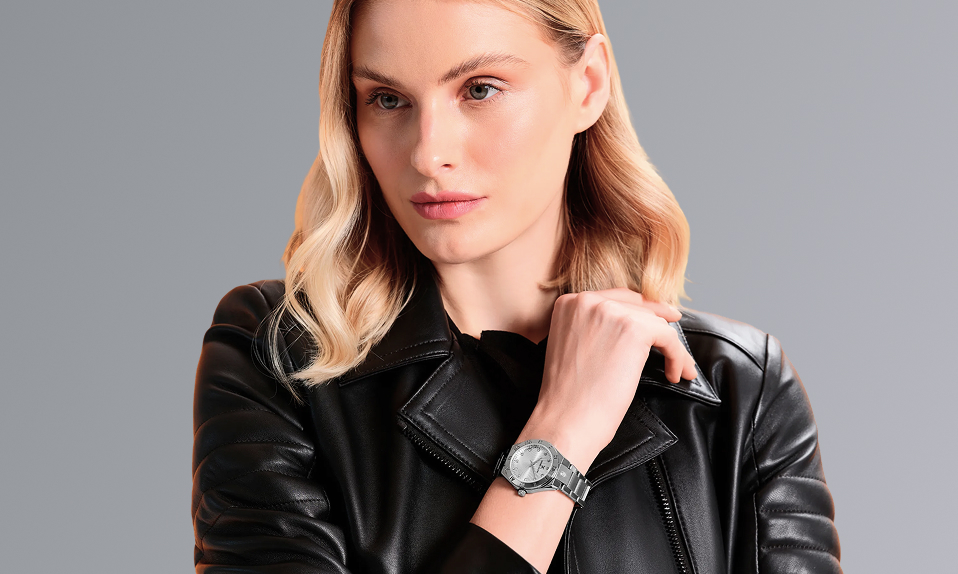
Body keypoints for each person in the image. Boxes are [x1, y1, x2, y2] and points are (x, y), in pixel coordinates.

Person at [192, 0, 842, 572]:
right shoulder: (281, 358)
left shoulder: (738, 390)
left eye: (480, 89)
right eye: (387, 99)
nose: (427, 153)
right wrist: (561, 437)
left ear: (588, 83)